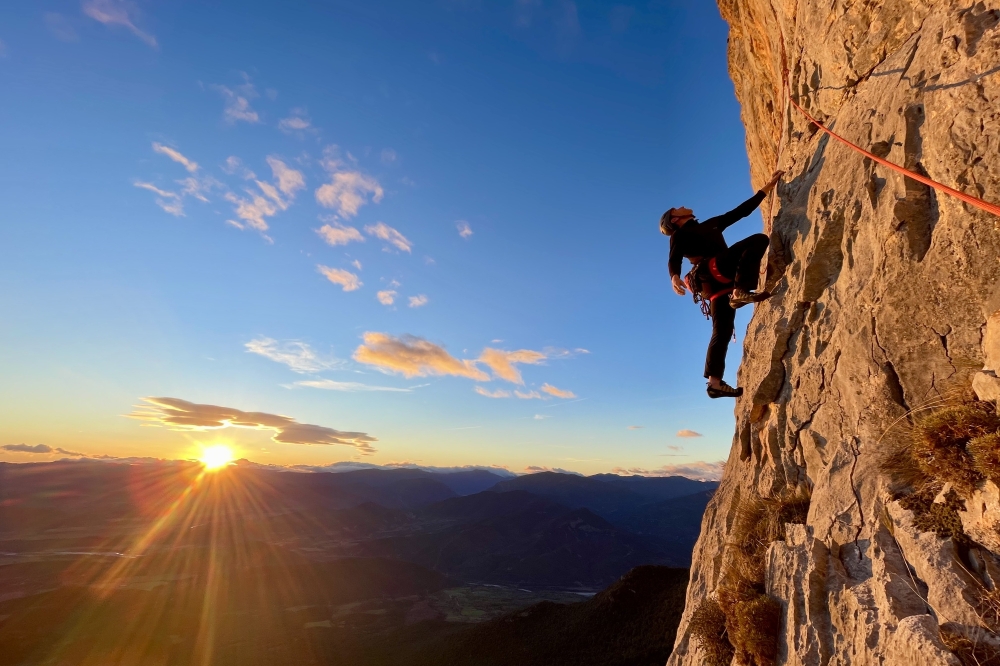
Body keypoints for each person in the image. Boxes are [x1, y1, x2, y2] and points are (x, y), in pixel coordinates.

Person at [660, 171, 783, 399]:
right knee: (758, 240)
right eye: (676, 209)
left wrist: (767, 188)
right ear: (674, 220)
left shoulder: (712, 224)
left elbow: (740, 212)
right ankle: (740, 291)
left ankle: (714, 383)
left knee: (722, 331)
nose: (683, 206)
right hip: (713, 270)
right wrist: (674, 275)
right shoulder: (679, 235)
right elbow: (674, 257)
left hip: (715, 287)